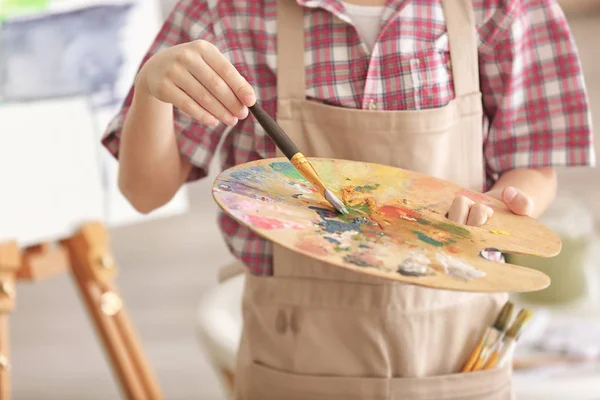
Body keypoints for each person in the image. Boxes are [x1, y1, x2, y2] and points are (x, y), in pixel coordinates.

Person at [102, 0, 595, 398]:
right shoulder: (228, 12)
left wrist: (499, 202)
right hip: (297, 355)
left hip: (457, 347)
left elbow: (533, 167)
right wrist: (153, 88)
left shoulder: (503, 8)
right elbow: (144, 193)